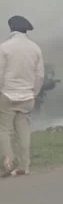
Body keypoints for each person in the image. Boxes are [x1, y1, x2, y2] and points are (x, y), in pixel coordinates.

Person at [0, 16, 44, 177]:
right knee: (24, 130)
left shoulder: (4, 48)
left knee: (4, 129)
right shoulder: (35, 48)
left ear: (11, 29)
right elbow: (39, 75)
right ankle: (24, 166)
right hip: (27, 96)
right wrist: (34, 93)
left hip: (7, 95)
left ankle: (8, 160)